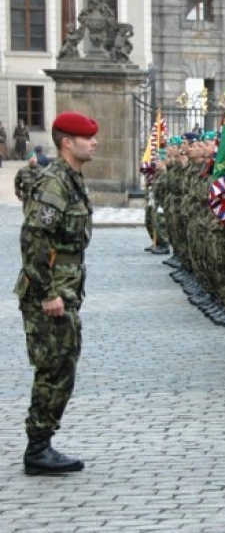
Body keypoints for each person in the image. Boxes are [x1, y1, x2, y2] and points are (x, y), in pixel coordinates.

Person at [14, 111, 98, 475]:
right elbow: (34, 239)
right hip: (49, 292)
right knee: (54, 368)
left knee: (62, 365)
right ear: (68, 142)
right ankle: (38, 448)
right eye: (87, 137)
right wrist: (47, 293)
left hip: (65, 287)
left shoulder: (71, 178)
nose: (94, 142)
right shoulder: (55, 183)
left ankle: (41, 443)